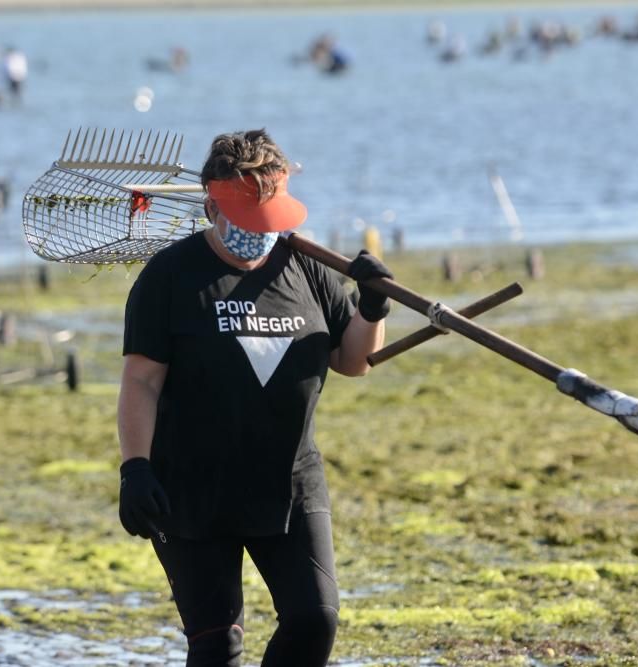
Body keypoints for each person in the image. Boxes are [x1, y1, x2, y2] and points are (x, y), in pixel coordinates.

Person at [117, 129, 393, 666]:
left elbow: (352, 361)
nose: (262, 235)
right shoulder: (170, 278)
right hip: (192, 490)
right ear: (212, 209)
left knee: (315, 620)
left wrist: (372, 308)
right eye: (249, 223)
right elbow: (141, 381)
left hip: (289, 481)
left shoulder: (307, 266)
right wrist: (136, 469)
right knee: (218, 645)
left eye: (272, 221)